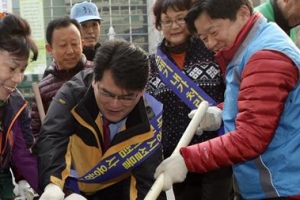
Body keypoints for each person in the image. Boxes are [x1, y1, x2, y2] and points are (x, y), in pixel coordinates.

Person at [153, 0, 300, 199]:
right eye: (204, 38)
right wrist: (221, 112)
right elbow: (261, 104)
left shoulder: (265, 57)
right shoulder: (250, 47)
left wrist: (187, 160)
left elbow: (250, 137)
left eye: (213, 33)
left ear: (242, 14)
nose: (211, 44)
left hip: (283, 185)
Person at [34, 39, 166, 200]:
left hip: (117, 189)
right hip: (71, 187)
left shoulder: (149, 121)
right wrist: (53, 186)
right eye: (107, 93)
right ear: (94, 81)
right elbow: (53, 136)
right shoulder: (73, 94)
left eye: (126, 97)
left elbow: (147, 183)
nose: (115, 105)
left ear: (142, 92)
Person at [146, 0, 232, 199]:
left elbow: (236, 96)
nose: (174, 26)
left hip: (215, 153)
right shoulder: (152, 65)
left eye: (180, 19)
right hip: (176, 157)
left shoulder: (213, 52)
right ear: (159, 25)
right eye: (166, 21)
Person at [31, 16, 93, 139]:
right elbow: (35, 133)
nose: (70, 51)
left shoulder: (99, 75)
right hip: (59, 155)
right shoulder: (42, 90)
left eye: (75, 44)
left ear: (82, 43)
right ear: (50, 49)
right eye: (63, 45)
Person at [0, 12, 39, 199]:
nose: (17, 79)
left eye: (22, 70)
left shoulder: (16, 104)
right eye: (12, 68)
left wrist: (56, 189)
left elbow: (23, 154)